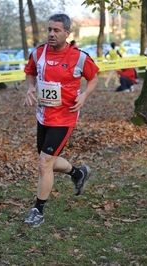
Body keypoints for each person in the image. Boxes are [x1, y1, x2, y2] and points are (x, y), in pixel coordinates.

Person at [22, 13, 99, 227]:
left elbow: (93, 78)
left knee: (44, 162)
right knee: (49, 160)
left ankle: (38, 209)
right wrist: (30, 88)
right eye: (49, 30)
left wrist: (84, 95)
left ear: (67, 33)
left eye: (56, 30)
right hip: (43, 115)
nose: (51, 34)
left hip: (65, 116)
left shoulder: (79, 57)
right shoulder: (38, 53)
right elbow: (30, 72)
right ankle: (78, 173)